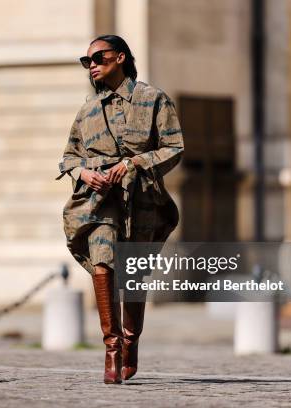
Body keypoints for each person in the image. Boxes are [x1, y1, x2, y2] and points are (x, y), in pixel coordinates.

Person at [55, 34, 184, 384]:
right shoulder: (88, 110)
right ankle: (111, 348)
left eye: (98, 57)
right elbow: (69, 156)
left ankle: (130, 343)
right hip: (99, 203)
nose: (91, 65)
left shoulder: (153, 99)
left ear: (121, 57)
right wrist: (83, 172)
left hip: (142, 200)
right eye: (87, 61)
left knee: (134, 274)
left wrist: (133, 164)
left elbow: (173, 147)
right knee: (102, 260)